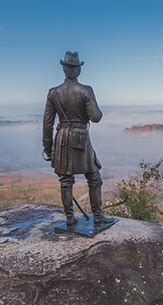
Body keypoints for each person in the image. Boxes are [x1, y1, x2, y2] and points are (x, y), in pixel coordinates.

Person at [42, 51, 115, 226]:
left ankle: (69, 218)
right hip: (81, 137)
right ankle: (98, 216)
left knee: (66, 180)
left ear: (64, 69)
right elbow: (96, 117)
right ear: (78, 70)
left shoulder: (53, 93)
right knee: (94, 177)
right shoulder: (86, 91)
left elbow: (47, 124)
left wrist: (48, 148)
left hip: (62, 139)